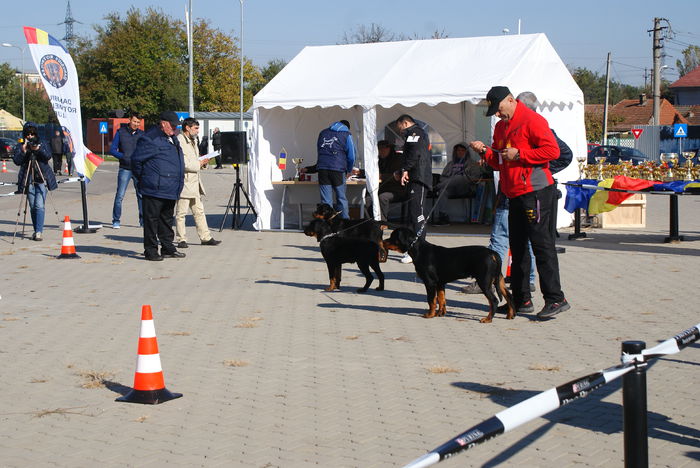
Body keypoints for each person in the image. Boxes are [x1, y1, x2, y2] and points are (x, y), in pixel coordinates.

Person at [469, 86, 570, 320]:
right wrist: (485, 151)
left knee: (541, 245)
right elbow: (499, 161)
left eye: (499, 109)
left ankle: (556, 298)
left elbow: (553, 151)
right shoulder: (502, 126)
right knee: (518, 247)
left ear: (511, 100)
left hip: (535, 191)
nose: (497, 114)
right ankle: (522, 298)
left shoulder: (533, 120)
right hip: (512, 192)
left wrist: (521, 155)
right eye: (494, 111)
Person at [131, 111, 186, 262]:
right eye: (173, 126)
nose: (176, 129)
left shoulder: (172, 138)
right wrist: (145, 179)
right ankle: (151, 250)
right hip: (154, 188)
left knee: (167, 220)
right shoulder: (150, 139)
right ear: (163, 124)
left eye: (177, 127)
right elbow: (136, 161)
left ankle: (168, 248)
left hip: (171, 187)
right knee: (151, 221)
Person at [175, 118, 221, 248]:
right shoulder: (180, 140)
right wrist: (199, 163)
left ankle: (205, 237)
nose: (197, 131)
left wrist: (203, 162)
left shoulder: (193, 140)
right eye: (195, 128)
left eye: (197, 128)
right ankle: (181, 239)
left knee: (199, 212)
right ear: (187, 128)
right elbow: (183, 163)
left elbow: (195, 160)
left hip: (195, 183)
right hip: (185, 183)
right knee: (181, 213)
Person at [395, 114, 432, 263]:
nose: (400, 131)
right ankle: (414, 247)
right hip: (414, 177)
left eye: (400, 128)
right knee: (414, 212)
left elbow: (415, 154)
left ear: (405, 123)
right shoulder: (413, 134)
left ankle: (418, 249)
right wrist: (401, 171)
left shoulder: (415, 133)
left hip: (419, 178)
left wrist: (404, 169)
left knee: (418, 213)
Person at [13, 122, 58, 241]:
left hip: (42, 178)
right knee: (33, 206)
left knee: (39, 205)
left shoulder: (42, 142)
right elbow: (16, 161)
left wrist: (38, 149)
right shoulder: (21, 144)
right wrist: (23, 151)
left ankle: (39, 232)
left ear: (36, 133)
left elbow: (48, 156)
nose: (30, 136)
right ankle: (35, 230)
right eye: (28, 134)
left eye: (32, 134)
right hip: (28, 178)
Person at [302, 120, 355, 219]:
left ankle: (326, 225)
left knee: (326, 201)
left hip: (323, 169)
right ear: (347, 127)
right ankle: (345, 223)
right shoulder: (347, 134)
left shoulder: (323, 133)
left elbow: (320, 152)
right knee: (341, 198)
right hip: (338, 170)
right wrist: (349, 169)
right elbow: (351, 156)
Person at [431, 142, 484, 226]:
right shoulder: (450, 164)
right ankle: (443, 217)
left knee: (458, 177)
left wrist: (458, 178)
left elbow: (474, 178)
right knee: (442, 191)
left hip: (466, 188)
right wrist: (447, 182)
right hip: (451, 188)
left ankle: (435, 187)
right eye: (458, 150)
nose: (460, 152)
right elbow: (442, 177)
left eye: (463, 150)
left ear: (467, 152)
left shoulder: (472, 163)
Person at [110, 112, 144, 229]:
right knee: (120, 195)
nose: (136, 124)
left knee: (141, 195)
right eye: (134, 121)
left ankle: (142, 221)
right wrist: (123, 156)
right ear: (129, 120)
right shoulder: (121, 132)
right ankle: (116, 220)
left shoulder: (142, 135)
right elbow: (113, 149)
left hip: (138, 170)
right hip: (125, 168)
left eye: (138, 122)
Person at [364, 140, 407, 221]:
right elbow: (371, 171)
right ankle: (370, 221)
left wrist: (381, 176)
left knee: (383, 197)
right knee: (368, 198)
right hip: (382, 187)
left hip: (397, 189)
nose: (381, 151)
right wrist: (361, 172)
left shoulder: (398, 158)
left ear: (389, 149)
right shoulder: (378, 159)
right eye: (379, 149)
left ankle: (383, 222)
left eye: (383, 149)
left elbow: (397, 176)